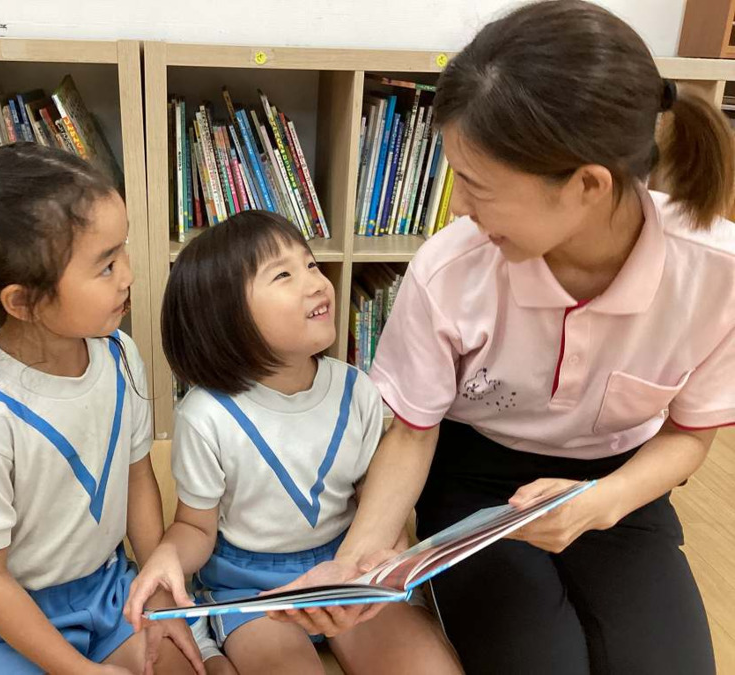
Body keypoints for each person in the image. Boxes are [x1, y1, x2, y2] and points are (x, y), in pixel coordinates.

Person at [271, 2, 734, 673]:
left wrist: (599, 502)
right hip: (474, 479)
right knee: (542, 659)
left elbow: (690, 434)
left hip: (620, 480)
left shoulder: (714, 271)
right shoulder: (449, 270)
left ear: (587, 186)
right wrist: (360, 561)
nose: (459, 208)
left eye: (479, 186)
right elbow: (412, 431)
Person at [0, 143, 223, 675]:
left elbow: (136, 477)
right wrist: (80, 671)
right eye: (105, 266)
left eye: (121, 250)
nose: (127, 274)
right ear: (23, 302)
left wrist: (156, 586)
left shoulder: (119, 353)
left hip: (101, 588)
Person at [124, 211, 462, 674]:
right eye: (283, 274)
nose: (316, 282)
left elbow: (378, 504)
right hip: (251, 591)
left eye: (311, 265)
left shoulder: (357, 391)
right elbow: (197, 529)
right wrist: (166, 555)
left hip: (347, 567)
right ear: (225, 317)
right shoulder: (206, 416)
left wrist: (386, 560)